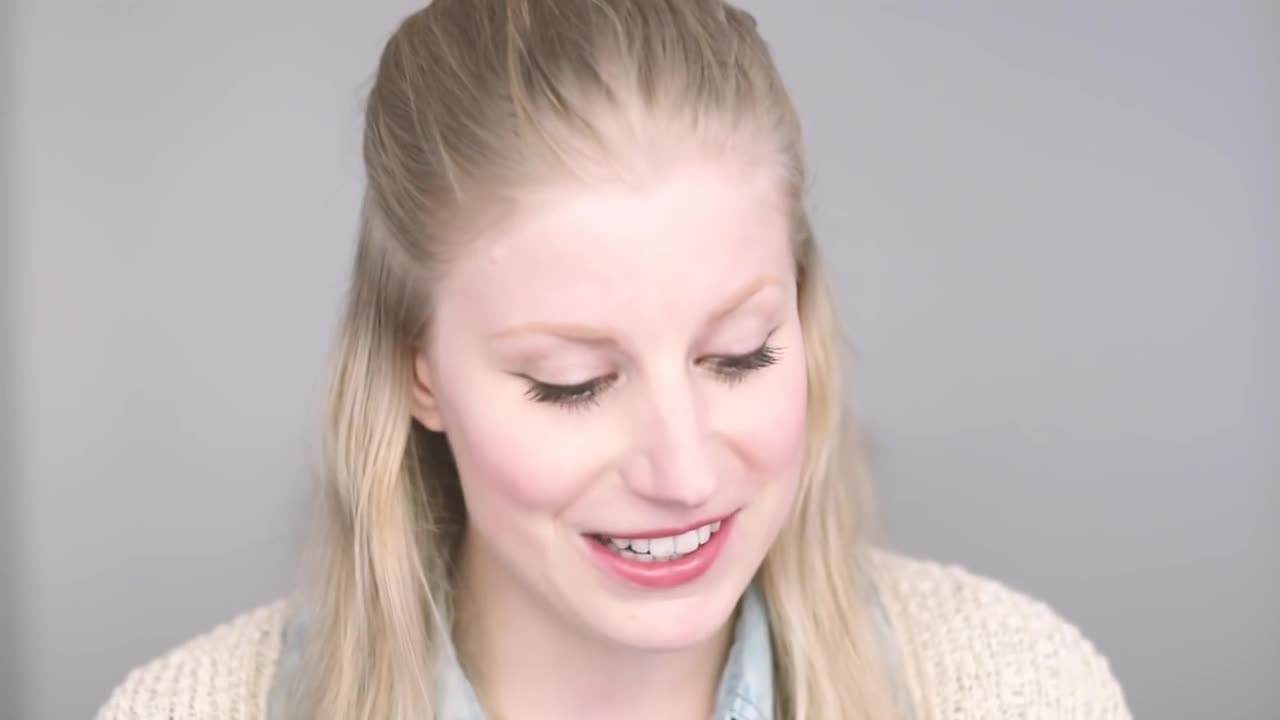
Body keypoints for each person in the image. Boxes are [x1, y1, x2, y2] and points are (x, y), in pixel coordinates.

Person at [97, 1, 1132, 718]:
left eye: (737, 356)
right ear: (420, 369)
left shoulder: (1020, 690)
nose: (681, 472)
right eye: (571, 383)